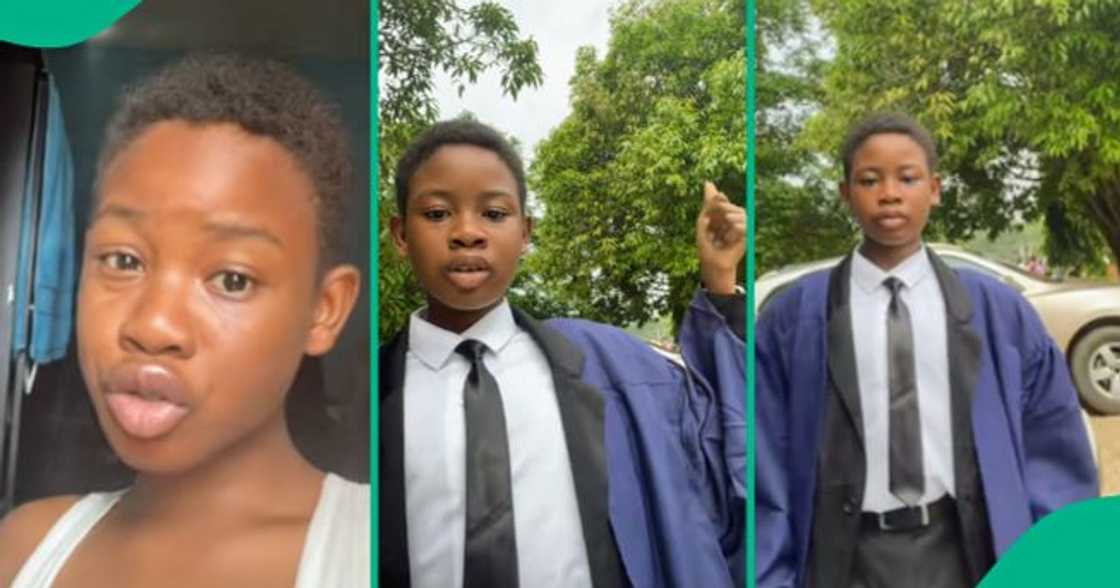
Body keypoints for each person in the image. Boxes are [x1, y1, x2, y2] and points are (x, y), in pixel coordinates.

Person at [0, 54, 368, 587]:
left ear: (325, 309)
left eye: (232, 279)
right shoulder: (23, 548)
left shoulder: (369, 550)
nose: (152, 327)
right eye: (123, 261)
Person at [380, 118, 746, 587]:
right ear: (400, 235)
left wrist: (719, 284)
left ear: (526, 232)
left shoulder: (609, 369)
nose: (467, 233)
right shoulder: (357, 399)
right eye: (436, 214)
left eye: (494, 213)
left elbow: (724, 442)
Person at [755, 112, 1098, 588]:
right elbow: (763, 458)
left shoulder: (997, 311)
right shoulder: (794, 318)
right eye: (869, 179)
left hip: (969, 552)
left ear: (934, 189)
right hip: (845, 558)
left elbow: (1053, 443)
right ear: (845, 195)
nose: (890, 193)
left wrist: (1046, 564)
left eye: (908, 178)